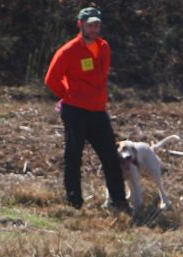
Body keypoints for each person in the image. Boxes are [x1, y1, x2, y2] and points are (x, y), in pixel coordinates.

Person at [44, 6, 130, 213]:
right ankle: (74, 203)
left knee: (110, 155)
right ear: (80, 25)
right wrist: (69, 95)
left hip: (98, 111)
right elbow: (51, 79)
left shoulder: (104, 48)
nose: (94, 29)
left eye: (97, 25)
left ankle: (119, 201)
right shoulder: (68, 51)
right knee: (73, 156)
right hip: (75, 111)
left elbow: (100, 76)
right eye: (90, 25)